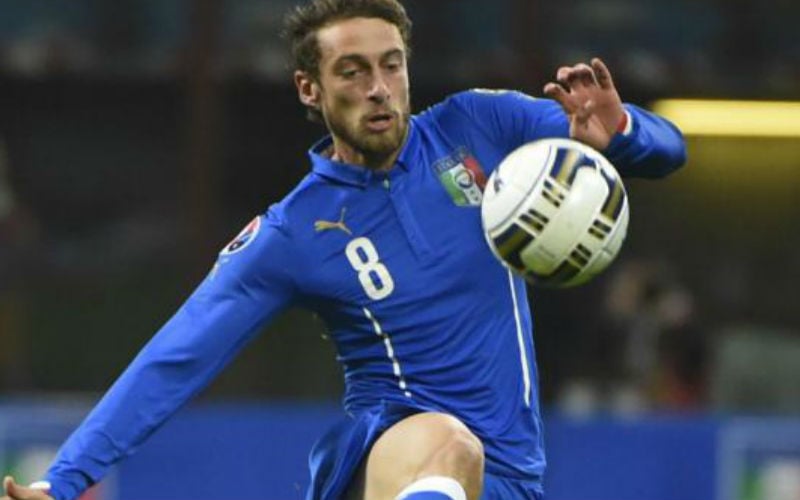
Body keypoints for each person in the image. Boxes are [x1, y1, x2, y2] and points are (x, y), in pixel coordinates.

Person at [1, 0, 686, 499]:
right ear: (311, 87)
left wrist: (624, 131)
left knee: (462, 457)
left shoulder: (480, 125)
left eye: (391, 66)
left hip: (513, 478)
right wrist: (63, 481)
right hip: (391, 456)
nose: (379, 88)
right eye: (352, 72)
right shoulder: (293, 233)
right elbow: (176, 355)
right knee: (446, 442)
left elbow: (667, 150)